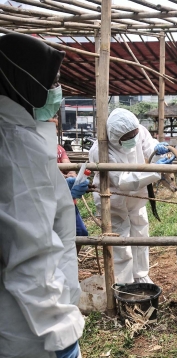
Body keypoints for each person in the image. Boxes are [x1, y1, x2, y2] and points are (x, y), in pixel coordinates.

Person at [0, 33, 86, 358]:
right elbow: (31, 256)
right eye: (52, 82)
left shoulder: (17, 134)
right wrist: (62, 333)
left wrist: (62, 193)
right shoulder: (16, 143)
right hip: (32, 332)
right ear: (24, 80)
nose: (57, 91)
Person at [89, 108, 175, 284]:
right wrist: (155, 171)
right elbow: (122, 180)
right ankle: (124, 282)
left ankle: (140, 275)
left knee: (140, 233)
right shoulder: (102, 149)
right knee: (120, 241)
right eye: (128, 138)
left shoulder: (137, 130)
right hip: (113, 199)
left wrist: (156, 150)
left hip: (137, 197)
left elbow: (147, 145)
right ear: (116, 137)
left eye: (135, 134)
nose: (133, 139)